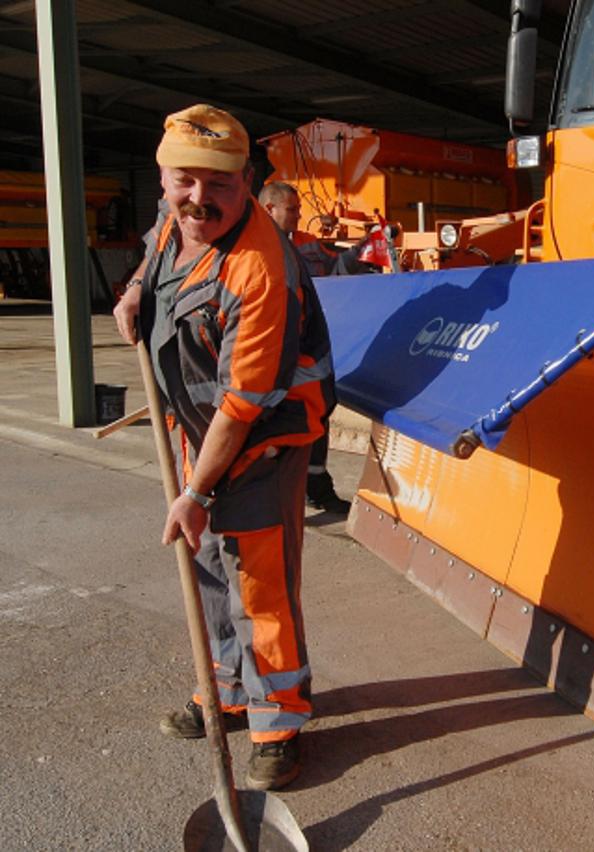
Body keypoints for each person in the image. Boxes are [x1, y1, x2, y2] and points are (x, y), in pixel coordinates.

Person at [113, 104, 335, 791]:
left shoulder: (261, 268)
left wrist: (195, 492)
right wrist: (130, 293)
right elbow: (157, 253)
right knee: (205, 569)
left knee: (258, 586)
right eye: (185, 182)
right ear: (165, 179)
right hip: (196, 428)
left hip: (260, 438)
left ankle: (278, 722)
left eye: (221, 185)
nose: (199, 200)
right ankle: (228, 693)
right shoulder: (170, 219)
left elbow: (242, 408)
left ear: (246, 181)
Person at [258, 180, 355, 514]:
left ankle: (317, 490)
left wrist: (360, 253)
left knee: (315, 424)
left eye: (299, 209)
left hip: (309, 359)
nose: (299, 216)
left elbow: (335, 268)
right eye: (293, 210)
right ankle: (274, 502)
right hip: (276, 362)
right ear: (269, 209)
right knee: (277, 433)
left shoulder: (306, 245)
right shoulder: (252, 248)